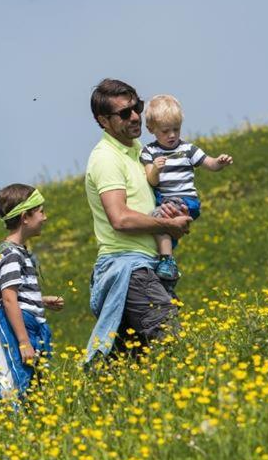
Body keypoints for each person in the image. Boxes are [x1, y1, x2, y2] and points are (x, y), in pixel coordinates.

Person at [83, 79, 193, 364]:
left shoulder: (139, 150)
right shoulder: (106, 158)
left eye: (137, 108)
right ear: (103, 121)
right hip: (128, 268)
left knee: (130, 362)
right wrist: (167, 226)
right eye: (124, 113)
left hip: (145, 265)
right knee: (171, 338)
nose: (135, 117)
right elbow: (119, 218)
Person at [0, 184, 64, 399]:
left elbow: (15, 295)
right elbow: (8, 299)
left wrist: (40, 301)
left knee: (34, 388)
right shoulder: (12, 255)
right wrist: (24, 342)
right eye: (41, 211)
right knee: (19, 386)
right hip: (21, 328)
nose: (45, 217)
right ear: (25, 217)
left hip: (27, 323)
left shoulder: (18, 252)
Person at [140, 94, 233, 280]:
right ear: (151, 129)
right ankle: (165, 268)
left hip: (185, 200)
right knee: (163, 229)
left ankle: (167, 261)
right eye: (165, 131)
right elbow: (152, 181)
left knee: (157, 220)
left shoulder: (188, 149)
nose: (172, 135)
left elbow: (210, 164)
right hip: (164, 199)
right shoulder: (149, 151)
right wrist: (156, 170)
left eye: (176, 129)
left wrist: (219, 162)